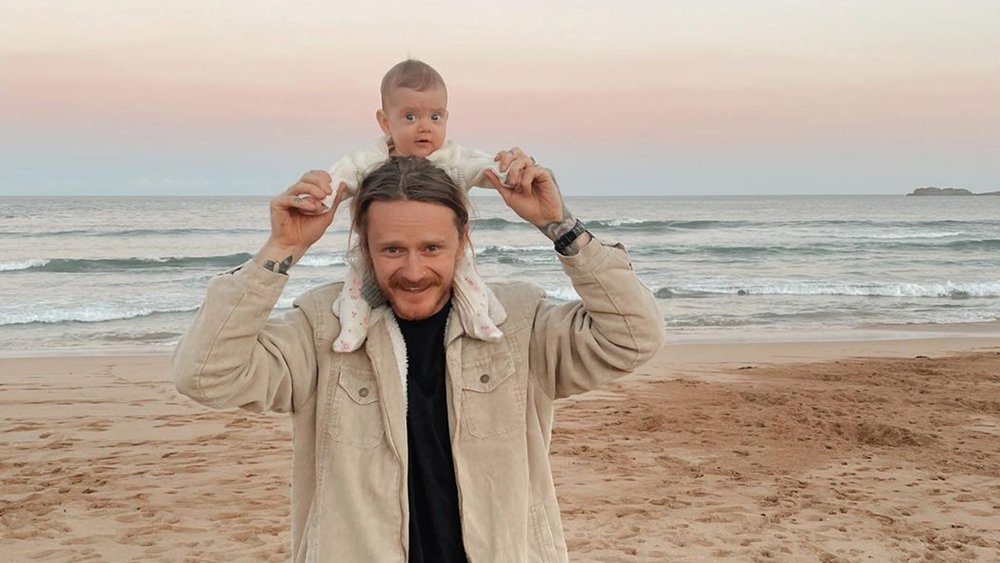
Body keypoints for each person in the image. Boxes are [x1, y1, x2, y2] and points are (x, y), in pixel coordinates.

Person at [172, 152, 665, 562]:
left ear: (461, 241)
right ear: (364, 247)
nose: (413, 271)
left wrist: (559, 225)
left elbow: (634, 336)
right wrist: (280, 249)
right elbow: (205, 374)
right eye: (391, 250)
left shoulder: (516, 321)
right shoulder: (324, 327)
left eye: (432, 247)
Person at [316, 59, 510, 353]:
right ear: (385, 122)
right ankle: (353, 328)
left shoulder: (451, 157)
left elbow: (481, 167)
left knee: (467, 275)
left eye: (435, 117)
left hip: (445, 246)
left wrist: (508, 175)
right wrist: (320, 196)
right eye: (410, 117)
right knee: (356, 282)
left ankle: (479, 317)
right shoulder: (370, 158)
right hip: (376, 248)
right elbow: (341, 176)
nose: (424, 127)